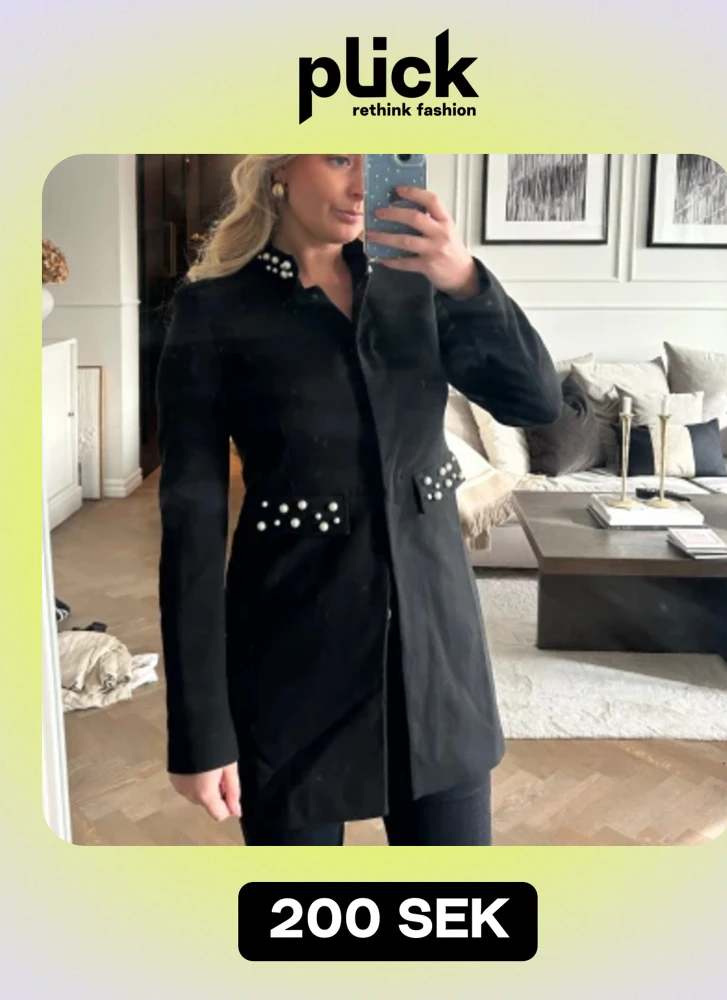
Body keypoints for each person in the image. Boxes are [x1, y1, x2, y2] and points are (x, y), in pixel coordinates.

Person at [156, 154, 562, 846]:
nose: (359, 184)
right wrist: (200, 732)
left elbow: (536, 402)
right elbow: (190, 531)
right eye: (340, 157)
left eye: (376, 160)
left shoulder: (419, 286)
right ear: (280, 168)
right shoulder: (214, 309)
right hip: (291, 665)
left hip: (437, 661)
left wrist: (463, 277)